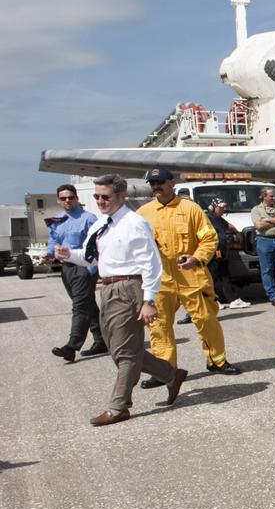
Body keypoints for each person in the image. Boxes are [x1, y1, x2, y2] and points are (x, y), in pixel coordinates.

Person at [54, 175, 187, 425]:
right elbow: (93, 257)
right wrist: (69, 254)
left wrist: (149, 300)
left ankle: (119, 407)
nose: (101, 201)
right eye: (97, 197)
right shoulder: (102, 223)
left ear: (121, 196)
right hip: (107, 288)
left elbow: (151, 263)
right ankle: (171, 374)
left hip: (129, 288)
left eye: (106, 197)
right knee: (119, 349)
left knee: (125, 353)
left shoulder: (134, 223)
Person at [136, 168, 241, 383]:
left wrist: (196, 258)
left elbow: (209, 239)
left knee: (206, 319)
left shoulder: (191, 209)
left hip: (192, 275)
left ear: (171, 183)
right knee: (159, 325)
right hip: (160, 279)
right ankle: (164, 370)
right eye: (153, 183)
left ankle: (217, 361)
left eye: (161, 182)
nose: (156, 186)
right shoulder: (143, 214)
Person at [47, 184, 106, 361]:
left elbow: (96, 244)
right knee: (86, 304)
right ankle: (101, 340)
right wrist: (49, 253)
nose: (67, 201)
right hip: (67, 268)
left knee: (79, 306)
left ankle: (72, 346)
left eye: (71, 197)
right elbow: (53, 240)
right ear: (58, 200)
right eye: (63, 198)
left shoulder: (88, 218)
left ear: (77, 199)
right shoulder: (57, 220)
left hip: (83, 267)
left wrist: (92, 269)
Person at [205, 198, 250, 309]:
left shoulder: (219, 219)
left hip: (222, 252)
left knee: (225, 276)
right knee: (212, 277)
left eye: (223, 208)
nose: (222, 210)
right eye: (220, 207)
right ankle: (212, 301)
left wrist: (236, 232)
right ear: (213, 207)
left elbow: (228, 225)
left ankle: (233, 300)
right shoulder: (208, 218)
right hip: (215, 251)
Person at [251, 187, 275, 306]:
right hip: (264, 241)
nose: (274, 198)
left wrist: (267, 220)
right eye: (271, 196)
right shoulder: (256, 210)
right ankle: (273, 295)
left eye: (274, 196)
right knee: (267, 269)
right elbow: (259, 225)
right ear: (264, 196)